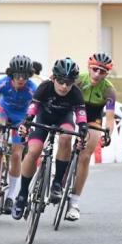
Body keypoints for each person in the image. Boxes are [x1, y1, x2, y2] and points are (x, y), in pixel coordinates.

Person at [12, 58, 87, 220]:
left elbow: (81, 116)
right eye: (60, 81)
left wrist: (83, 131)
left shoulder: (75, 93)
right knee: (33, 151)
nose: (64, 86)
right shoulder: (45, 87)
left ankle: (57, 183)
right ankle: (22, 194)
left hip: (64, 120)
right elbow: (33, 107)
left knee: (66, 137)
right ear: (54, 78)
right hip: (43, 120)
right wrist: (26, 122)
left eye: (68, 82)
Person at [0, 55, 37, 214]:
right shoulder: (2, 83)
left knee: (17, 155)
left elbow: (36, 110)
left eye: (25, 76)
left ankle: (10, 197)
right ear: (11, 74)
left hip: (21, 118)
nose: (21, 79)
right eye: (17, 75)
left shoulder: (32, 89)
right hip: (3, 111)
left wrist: (30, 125)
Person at [67, 52, 117, 221]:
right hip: (73, 112)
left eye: (102, 72)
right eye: (95, 69)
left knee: (86, 155)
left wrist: (108, 133)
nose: (97, 74)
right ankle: (58, 174)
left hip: (93, 118)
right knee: (64, 138)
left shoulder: (109, 90)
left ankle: (74, 203)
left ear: (107, 73)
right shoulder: (78, 79)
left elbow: (109, 118)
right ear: (88, 67)